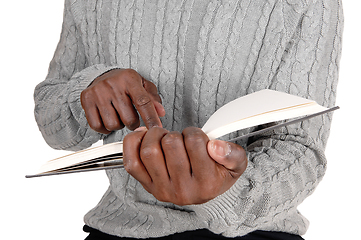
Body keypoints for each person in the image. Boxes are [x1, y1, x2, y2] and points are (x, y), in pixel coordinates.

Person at [34, 0, 343, 239]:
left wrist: (226, 194)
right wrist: (89, 94)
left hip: (254, 232)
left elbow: (301, 151)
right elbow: (51, 123)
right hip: (120, 227)